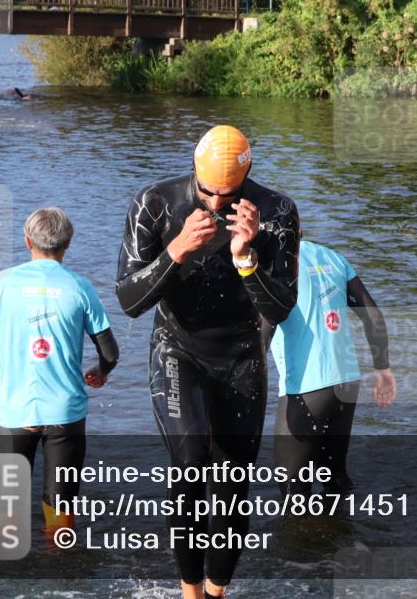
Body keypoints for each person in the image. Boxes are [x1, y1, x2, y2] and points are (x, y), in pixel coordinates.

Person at [116, 125, 299, 599]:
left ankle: (217, 593)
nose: (217, 204)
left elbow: (280, 310)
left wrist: (246, 259)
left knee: (234, 481)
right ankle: (189, 591)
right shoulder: (155, 203)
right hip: (178, 349)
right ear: (194, 175)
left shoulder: (277, 213)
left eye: (229, 194)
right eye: (208, 192)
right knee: (190, 463)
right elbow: (130, 301)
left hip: (242, 355)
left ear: (248, 175)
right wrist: (175, 251)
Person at [0, 207, 120, 532]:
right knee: (60, 507)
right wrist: (101, 371)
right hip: (65, 413)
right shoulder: (80, 287)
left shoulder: (2, 284)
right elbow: (111, 352)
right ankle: (60, 568)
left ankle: (3, 573)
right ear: (68, 242)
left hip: (16, 413)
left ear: (27, 241)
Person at [269, 237, 396, 497]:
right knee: (334, 475)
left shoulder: (267, 263)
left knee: (294, 491)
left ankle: (310, 536)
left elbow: (257, 331)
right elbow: (371, 313)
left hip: (306, 387)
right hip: (347, 382)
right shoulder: (331, 256)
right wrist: (382, 368)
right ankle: (344, 531)